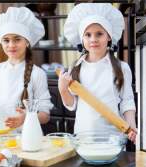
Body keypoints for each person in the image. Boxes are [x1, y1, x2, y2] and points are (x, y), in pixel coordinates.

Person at [59, 3, 137, 142]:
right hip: (83, 137)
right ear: (82, 39)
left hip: (113, 138)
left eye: (99, 34)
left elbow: (127, 101)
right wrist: (63, 90)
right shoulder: (76, 68)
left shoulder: (121, 68)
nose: (93, 39)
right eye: (87, 35)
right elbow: (72, 105)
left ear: (109, 37)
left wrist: (131, 124)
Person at [0, 7, 53, 129]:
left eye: (17, 39)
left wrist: (26, 117)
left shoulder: (37, 74)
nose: (11, 45)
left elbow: (45, 116)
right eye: (6, 40)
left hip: (26, 138)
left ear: (27, 42)